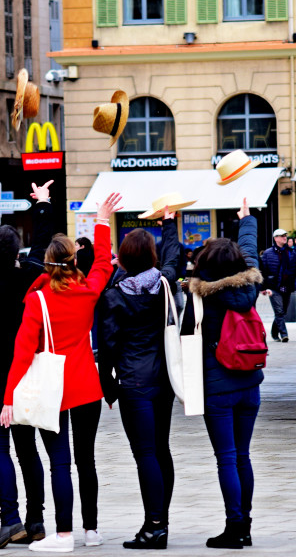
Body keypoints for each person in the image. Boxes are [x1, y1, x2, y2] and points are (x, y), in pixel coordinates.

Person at [1, 192, 123, 554]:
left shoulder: (38, 300)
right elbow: (103, 261)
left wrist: (8, 399)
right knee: (87, 459)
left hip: (55, 392)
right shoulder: (88, 290)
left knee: (60, 464)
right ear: (73, 260)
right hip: (88, 386)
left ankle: (64, 535)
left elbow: (22, 355)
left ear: (45, 264)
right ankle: (91, 530)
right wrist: (102, 219)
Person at [0, 181, 54, 549]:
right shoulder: (31, 277)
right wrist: (43, 205)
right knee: (28, 449)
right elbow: (44, 243)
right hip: (27, 377)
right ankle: (36, 520)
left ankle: (10, 519)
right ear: (18, 251)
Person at [181, 199, 263, 549]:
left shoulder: (201, 294)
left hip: (218, 386)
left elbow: (186, 334)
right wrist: (247, 222)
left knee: (227, 458)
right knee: (243, 456)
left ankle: (234, 526)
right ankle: (245, 525)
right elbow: (250, 255)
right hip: (250, 384)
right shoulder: (250, 286)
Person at [97, 208, 179, 550]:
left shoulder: (114, 296)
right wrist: (169, 223)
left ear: (123, 259)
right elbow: (174, 257)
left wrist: (109, 389)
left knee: (145, 453)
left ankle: (155, 527)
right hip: (164, 379)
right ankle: (159, 521)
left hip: (134, 383)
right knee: (161, 449)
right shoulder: (163, 284)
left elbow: (107, 347)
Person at [260, 228, 296, 342]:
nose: (284, 237)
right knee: (279, 311)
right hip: (274, 287)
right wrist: (263, 288)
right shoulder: (267, 253)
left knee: (283, 312)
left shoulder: (291, 252)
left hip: (288, 286)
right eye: (281, 236)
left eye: (285, 235)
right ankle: (284, 334)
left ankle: (274, 332)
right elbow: (262, 271)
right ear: (275, 238)